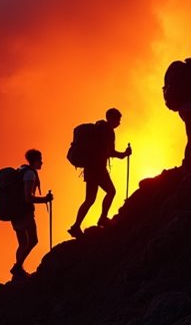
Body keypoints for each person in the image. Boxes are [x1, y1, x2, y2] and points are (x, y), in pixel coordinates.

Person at [68, 108, 132, 238]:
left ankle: (76, 226)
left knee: (89, 199)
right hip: (98, 169)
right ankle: (103, 218)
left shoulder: (97, 128)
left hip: (90, 168)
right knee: (111, 191)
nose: (119, 123)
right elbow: (111, 152)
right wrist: (124, 154)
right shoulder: (108, 131)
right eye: (118, 120)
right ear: (111, 118)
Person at [11, 149, 53, 280]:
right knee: (33, 240)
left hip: (14, 212)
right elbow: (28, 198)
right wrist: (45, 199)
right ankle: (17, 267)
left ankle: (18, 272)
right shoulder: (30, 174)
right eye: (40, 160)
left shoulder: (21, 170)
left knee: (23, 243)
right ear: (35, 160)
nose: (42, 162)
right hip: (25, 212)